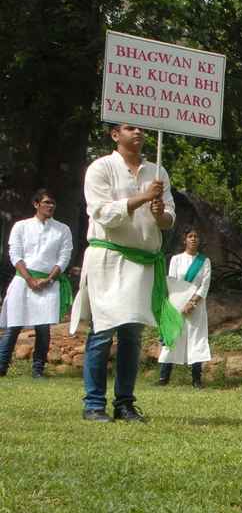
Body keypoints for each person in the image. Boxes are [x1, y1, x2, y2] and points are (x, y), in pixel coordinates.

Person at [70, 124, 179, 423]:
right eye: (130, 128)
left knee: (132, 334)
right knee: (103, 330)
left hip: (142, 262)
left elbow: (168, 219)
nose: (138, 132)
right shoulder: (101, 167)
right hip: (109, 258)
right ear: (115, 135)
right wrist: (143, 198)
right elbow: (102, 213)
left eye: (141, 128)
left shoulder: (157, 171)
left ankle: (125, 404)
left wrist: (159, 213)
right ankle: (94, 404)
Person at [0, 189, 73, 379]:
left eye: (53, 203)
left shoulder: (62, 229)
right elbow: (15, 254)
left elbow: (64, 257)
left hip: (48, 282)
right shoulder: (21, 226)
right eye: (47, 202)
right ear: (36, 204)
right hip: (23, 280)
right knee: (13, 325)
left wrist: (49, 279)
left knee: (43, 328)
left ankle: (38, 370)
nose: (50, 206)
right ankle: (1, 367)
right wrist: (29, 279)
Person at [156, 228, 212, 389]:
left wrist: (192, 303)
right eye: (190, 236)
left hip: (197, 307)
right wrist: (178, 304)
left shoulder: (204, 261)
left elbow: (205, 285)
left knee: (196, 339)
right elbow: (172, 282)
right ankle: (164, 378)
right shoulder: (176, 259)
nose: (193, 239)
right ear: (184, 240)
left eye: (196, 236)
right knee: (172, 337)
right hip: (177, 304)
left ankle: (196, 379)